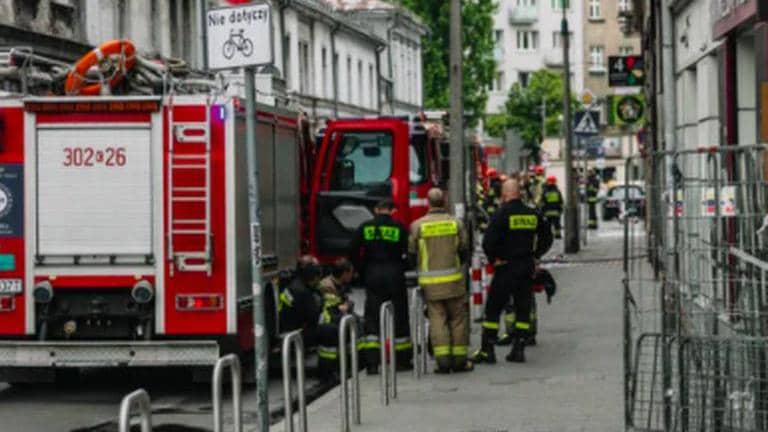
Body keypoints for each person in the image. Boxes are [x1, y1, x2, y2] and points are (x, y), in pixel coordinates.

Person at [472, 178, 553, 364]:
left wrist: (494, 259)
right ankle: (518, 349)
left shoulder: (501, 214)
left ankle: (487, 350)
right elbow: (547, 237)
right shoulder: (532, 214)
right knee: (523, 310)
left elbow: (488, 242)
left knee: (493, 309)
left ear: (505, 194)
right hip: (525, 268)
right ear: (520, 193)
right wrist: (536, 254)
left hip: (505, 267)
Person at [409, 188, 473, 374]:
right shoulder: (456, 224)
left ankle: (443, 362)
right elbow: (464, 251)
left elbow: (412, 255)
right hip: (454, 282)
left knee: (437, 320)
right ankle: (460, 361)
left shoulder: (417, 226)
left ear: (428, 202)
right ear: (444, 201)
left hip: (431, 285)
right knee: (458, 320)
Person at [349, 199, 412, 375]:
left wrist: (362, 269)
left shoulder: (365, 227)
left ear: (376, 210)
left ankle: (372, 363)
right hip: (395, 275)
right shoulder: (399, 228)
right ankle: (402, 361)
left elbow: (352, 251)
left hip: (373, 275)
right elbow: (410, 252)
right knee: (400, 317)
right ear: (392, 211)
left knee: (372, 318)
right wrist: (404, 267)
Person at [315, 259, 356, 383]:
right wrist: (345, 306)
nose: (352, 276)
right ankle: (330, 371)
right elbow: (336, 306)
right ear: (344, 273)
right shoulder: (326, 286)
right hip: (325, 320)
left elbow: (345, 302)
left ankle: (349, 363)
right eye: (351, 273)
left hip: (334, 317)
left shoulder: (340, 284)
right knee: (335, 331)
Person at [278, 255, 323, 346]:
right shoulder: (304, 292)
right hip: (298, 332)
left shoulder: (292, 283)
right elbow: (314, 317)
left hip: (286, 326)